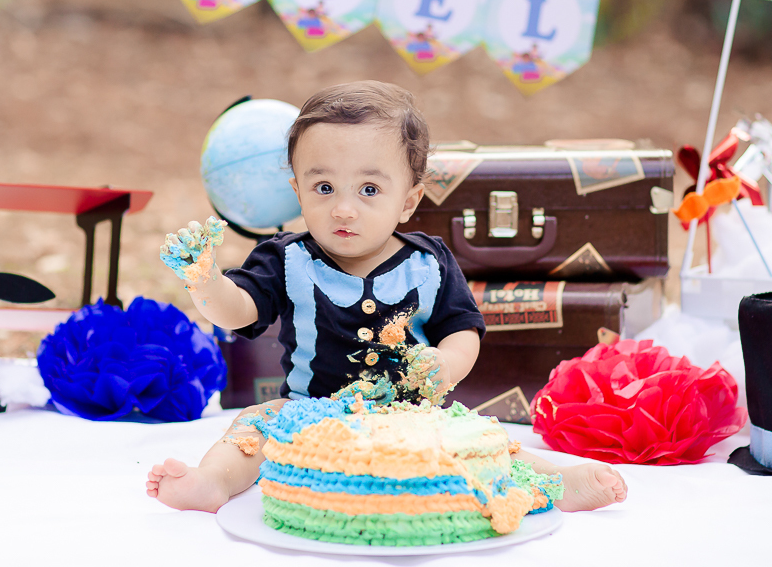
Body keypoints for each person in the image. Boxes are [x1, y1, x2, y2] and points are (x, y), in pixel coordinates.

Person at [146, 81, 627, 512]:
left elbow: (463, 328)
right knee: (252, 427)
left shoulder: (429, 262)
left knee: (481, 438)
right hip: (310, 410)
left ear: (408, 201)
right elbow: (239, 312)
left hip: (411, 416)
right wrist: (205, 282)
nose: (344, 208)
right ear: (297, 191)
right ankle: (212, 482)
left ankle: (557, 481)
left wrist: (447, 363)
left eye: (369, 189)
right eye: (324, 187)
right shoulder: (286, 259)